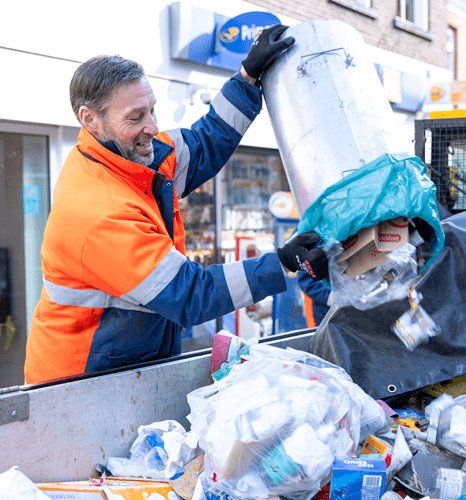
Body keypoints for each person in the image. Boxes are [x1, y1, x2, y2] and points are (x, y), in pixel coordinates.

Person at [24, 25, 328, 384]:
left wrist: (247, 77)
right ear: (90, 119)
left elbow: (204, 142)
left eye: (152, 111)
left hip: (124, 364)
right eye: (135, 117)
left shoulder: (133, 155)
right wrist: (282, 262)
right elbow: (190, 294)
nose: (152, 127)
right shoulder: (98, 213)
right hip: (80, 382)